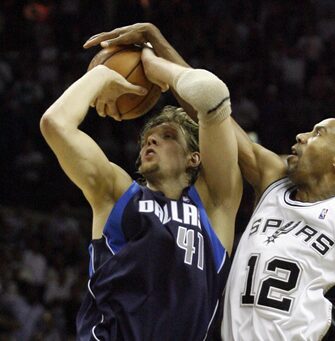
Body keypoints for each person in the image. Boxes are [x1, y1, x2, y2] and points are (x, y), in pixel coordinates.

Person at [84, 23, 335, 340]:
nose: (302, 135)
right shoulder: (272, 180)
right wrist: (159, 45)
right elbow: (213, 111)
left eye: (317, 133)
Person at [40, 32, 242, 339]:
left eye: (167, 136)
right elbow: (55, 124)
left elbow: (211, 96)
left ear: (193, 158)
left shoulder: (214, 208)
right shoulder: (118, 194)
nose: (152, 140)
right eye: (149, 137)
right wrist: (101, 75)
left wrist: (152, 63)